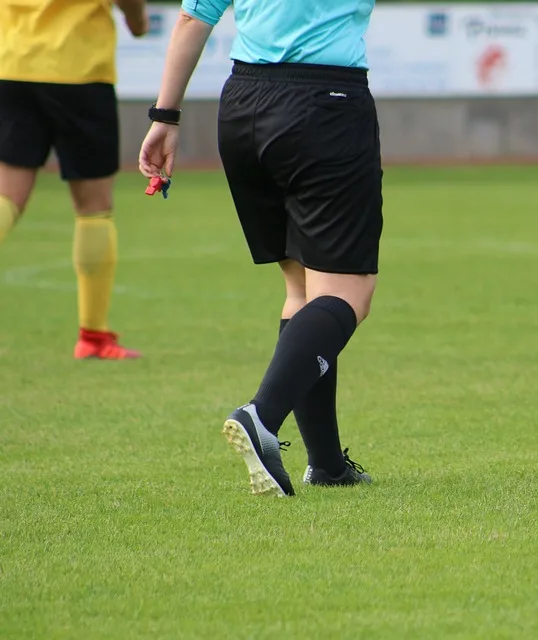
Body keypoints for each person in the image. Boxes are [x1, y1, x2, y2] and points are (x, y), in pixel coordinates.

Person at [139, 0, 381, 496]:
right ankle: (261, 416)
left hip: (245, 105)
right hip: (325, 104)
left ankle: (328, 464)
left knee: (301, 286)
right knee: (348, 296)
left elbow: (193, 17)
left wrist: (164, 115)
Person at [0, 0, 147, 360]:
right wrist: (136, 19)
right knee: (94, 208)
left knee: (6, 197)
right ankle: (93, 336)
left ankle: (94, 337)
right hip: (78, 69)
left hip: (12, 62)